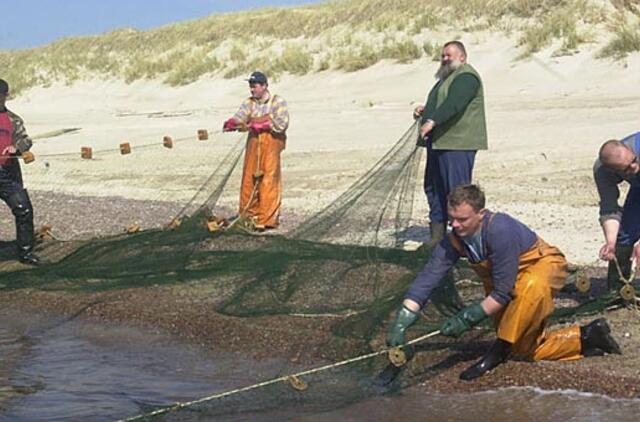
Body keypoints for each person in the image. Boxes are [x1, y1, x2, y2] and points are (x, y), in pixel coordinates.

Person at [387, 184, 621, 381]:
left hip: (542, 268)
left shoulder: (499, 229)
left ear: (481, 214)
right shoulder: (454, 240)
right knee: (521, 347)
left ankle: (496, 352)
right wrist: (403, 319)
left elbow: (502, 292)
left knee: (528, 290)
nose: (455, 226)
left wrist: (466, 318)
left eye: (462, 219)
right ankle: (588, 337)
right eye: (452, 220)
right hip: (505, 282)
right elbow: (428, 278)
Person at [413, 41, 488, 248]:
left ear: (462, 57)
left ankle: (466, 240)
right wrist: (425, 110)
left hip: (458, 144)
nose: (445, 59)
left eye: (449, 55)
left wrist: (431, 121)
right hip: (439, 143)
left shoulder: (466, 77)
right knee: (434, 188)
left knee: (458, 193)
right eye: (443, 56)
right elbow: (441, 104)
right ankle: (437, 237)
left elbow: (454, 103)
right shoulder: (445, 79)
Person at [222, 71, 289, 231]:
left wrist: (264, 125)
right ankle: (249, 216)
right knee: (249, 180)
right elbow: (240, 117)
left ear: (264, 86)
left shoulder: (277, 101)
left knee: (268, 181)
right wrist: (232, 123)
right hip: (253, 144)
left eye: (255, 86)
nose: (252, 90)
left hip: (271, 144)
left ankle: (267, 219)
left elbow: (282, 124)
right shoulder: (249, 103)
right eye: (251, 87)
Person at [0, 78, 42, 265]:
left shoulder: (13, 119)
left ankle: (25, 253)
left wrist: (15, 148)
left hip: (8, 174)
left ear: (5, 96)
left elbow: (26, 140)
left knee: (24, 210)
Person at [594, 136, 640, 292]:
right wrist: (611, 243)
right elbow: (609, 207)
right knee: (623, 237)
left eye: (634, 160)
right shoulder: (602, 171)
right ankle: (618, 292)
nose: (635, 167)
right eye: (627, 168)